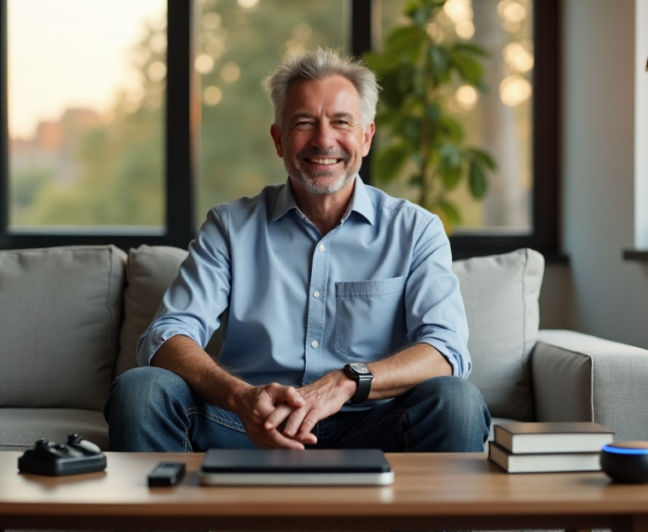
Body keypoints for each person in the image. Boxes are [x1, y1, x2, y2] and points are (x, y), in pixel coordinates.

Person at [105, 47, 490, 452]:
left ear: (366, 137)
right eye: (304, 123)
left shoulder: (416, 229)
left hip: (372, 425)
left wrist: (348, 381)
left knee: (457, 401)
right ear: (279, 139)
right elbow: (168, 334)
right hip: (247, 426)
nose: (323, 139)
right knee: (141, 390)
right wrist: (241, 397)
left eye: (341, 122)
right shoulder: (230, 227)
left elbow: (445, 351)